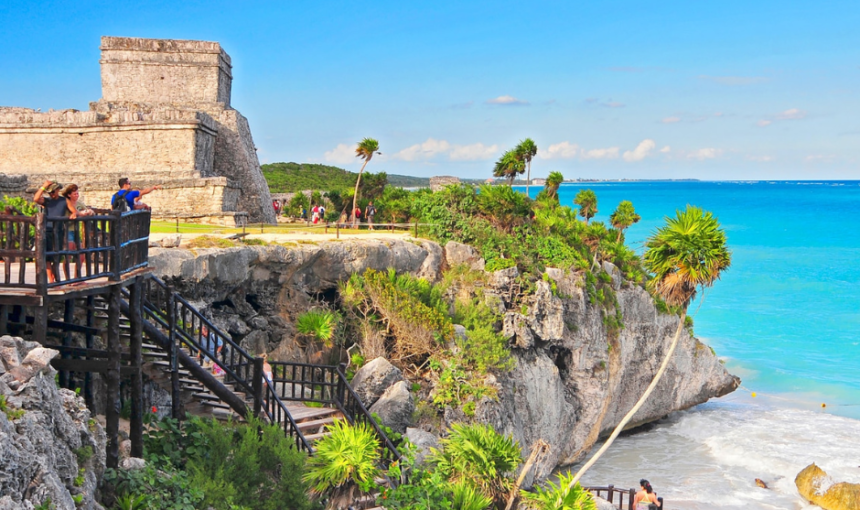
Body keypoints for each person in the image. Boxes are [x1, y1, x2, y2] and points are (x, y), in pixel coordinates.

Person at [33, 180, 67, 283]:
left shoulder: (64, 200)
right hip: (47, 230)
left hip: (58, 230)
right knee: (47, 256)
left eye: (53, 192)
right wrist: (43, 187)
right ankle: (51, 279)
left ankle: (55, 276)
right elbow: (36, 199)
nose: (51, 194)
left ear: (58, 190)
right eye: (49, 192)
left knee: (57, 255)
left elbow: (74, 210)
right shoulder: (47, 201)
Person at [61, 184, 95, 279]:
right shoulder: (66, 203)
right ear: (69, 195)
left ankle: (77, 278)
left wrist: (90, 212)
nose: (77, 195)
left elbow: (88, 210)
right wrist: (81, 214)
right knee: (69, 254)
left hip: (76, 231)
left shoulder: (79, 204)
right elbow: (74, 213)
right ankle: (67, 278)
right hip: (67, 230)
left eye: (77, 193)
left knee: (81, 255)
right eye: (74, 194)